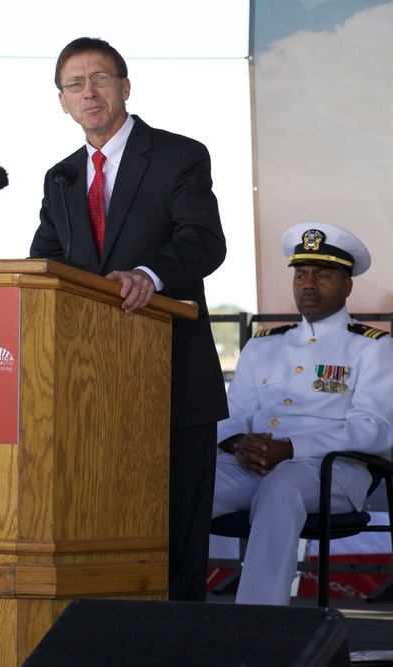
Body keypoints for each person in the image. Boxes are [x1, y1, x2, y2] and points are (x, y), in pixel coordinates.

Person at [28, 36, 228, 601]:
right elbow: (46, 262)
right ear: (62, 100)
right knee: (104, 540)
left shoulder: (177, 155)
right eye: (75, 84)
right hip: (90, 393)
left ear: (124, 87)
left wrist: (149, 275)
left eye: (100, 79)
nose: (88, 92)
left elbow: (204, 241)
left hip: (170, 379)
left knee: (175, 546)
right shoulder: (61, 177)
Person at [212, 222, 393, 605]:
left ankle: (258, 624)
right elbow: (232, 411)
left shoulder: (372, 348)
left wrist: (291, 448)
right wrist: (238, 442)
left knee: (282, 487)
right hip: (254, 465)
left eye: (323, 275)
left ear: (347, 286)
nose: (308, 284)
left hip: (331, 470)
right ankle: (159, 608)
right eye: (301, 274)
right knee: (183, 483)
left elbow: (375, 430)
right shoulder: (264, 345)